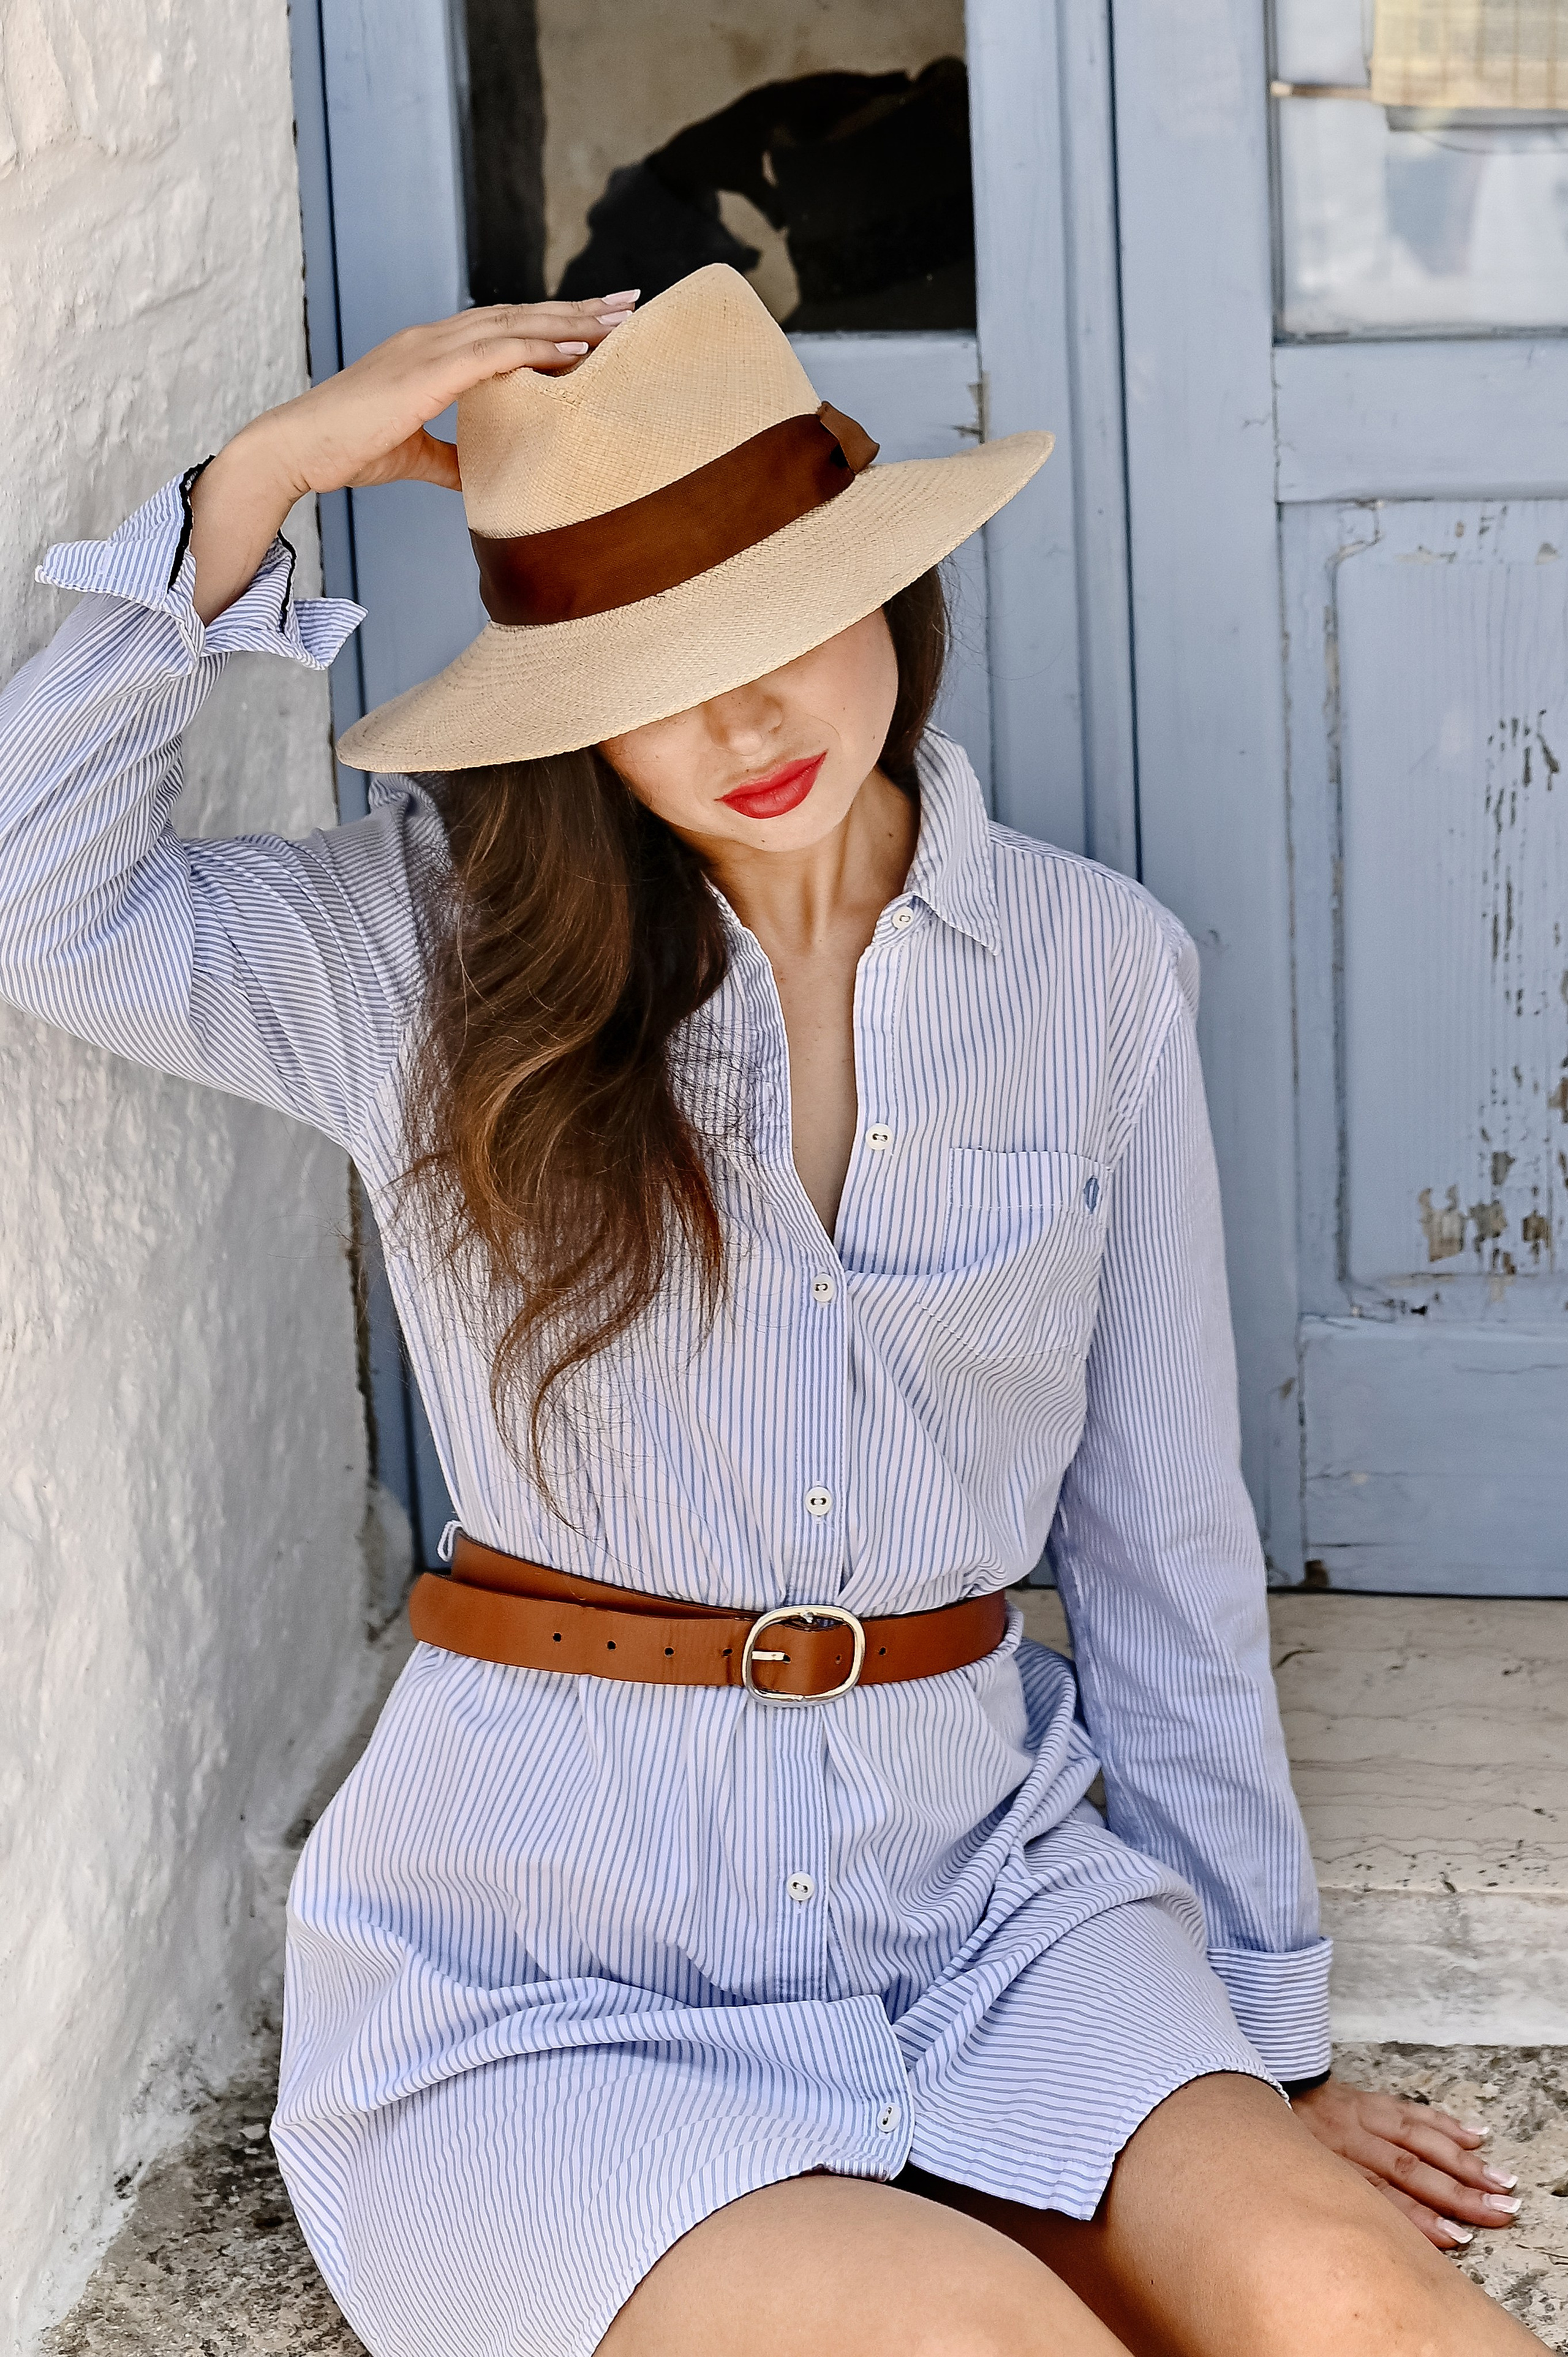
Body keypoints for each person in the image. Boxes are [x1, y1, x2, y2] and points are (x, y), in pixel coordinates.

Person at [0, 266, 1539, 2357]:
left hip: (986, 1921)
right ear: (565, 706)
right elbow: (42, 898)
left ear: (888, 588)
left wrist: (1263, 2048)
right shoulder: (430, 961)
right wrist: (259, 478)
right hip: (549, 1980)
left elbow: (1162, 1535)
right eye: (656, 672)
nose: (745, 725)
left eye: (786, 625)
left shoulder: (1095, 974)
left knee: (1363, 2306)